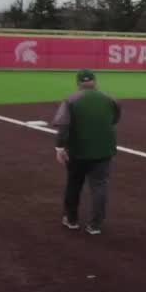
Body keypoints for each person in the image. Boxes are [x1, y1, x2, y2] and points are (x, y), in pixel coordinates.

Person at [52, 69, 121, 235]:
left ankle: (71, 220)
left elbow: (63, 126)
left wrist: (60, 148)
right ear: (95, 82)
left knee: (74, 184)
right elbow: (114, 120)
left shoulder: (71, 100)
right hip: (104, 150)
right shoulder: (110, 99)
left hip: (78, 151)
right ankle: (95, 225)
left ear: (78, 83)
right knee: (100, 186)